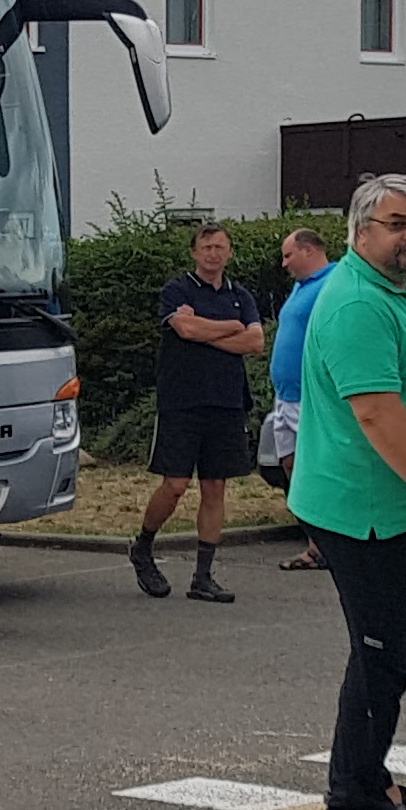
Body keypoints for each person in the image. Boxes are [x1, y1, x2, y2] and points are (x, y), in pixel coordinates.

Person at [288, 177, 406, 810]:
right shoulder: (359, 303)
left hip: (388, 508)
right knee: (383, 652)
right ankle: (356, 800)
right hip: (363, 508)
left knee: (400, 642)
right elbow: (376, 411)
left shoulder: (392, 289)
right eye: (397, 224)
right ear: (361, 232)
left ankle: (366, 774)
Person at [132, 220, 265, 601]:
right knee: (175, 485)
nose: (213, 254)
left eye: (220, 247)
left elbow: (255, 342)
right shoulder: (177, 289)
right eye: (206, 247)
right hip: (182, 402)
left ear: (230, 252)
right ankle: (143, 546)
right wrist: (230, 327)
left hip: (227, 402)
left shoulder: (241, 295)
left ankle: (203, 577)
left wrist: (207, 330)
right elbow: (185, 331)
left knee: (215, 487)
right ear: (194, 252)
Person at [269, 226, 333, 572]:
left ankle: (329, 545)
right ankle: (316, 543)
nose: (284, 263)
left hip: (310, 397)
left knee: (316, 468)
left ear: (309, 250)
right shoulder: (300, 286)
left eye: (288, 255)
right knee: (291, 465)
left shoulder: (333, 283)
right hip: (286, 396)